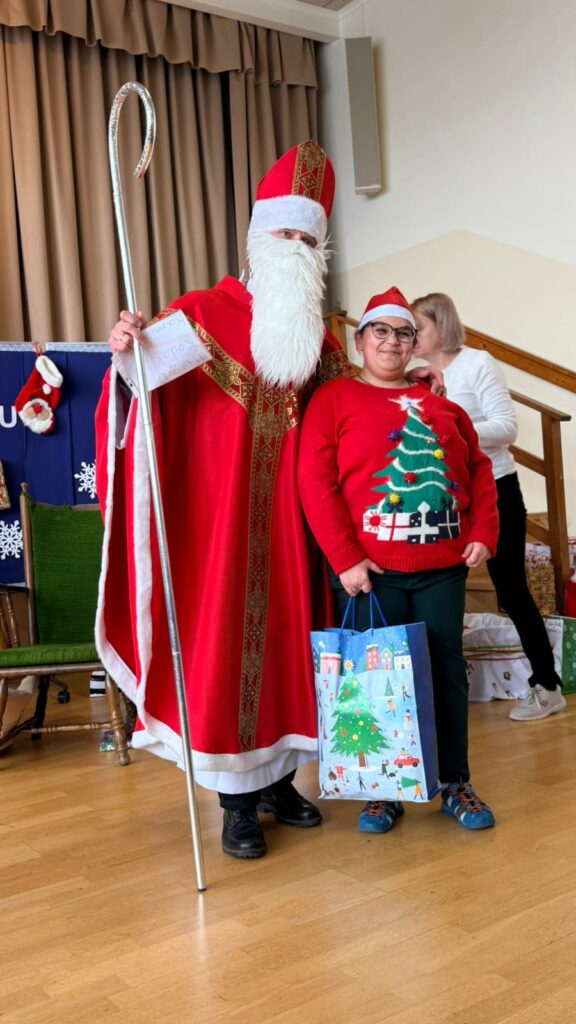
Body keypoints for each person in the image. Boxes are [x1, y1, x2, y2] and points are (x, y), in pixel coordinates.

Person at [95, 144, 441, 861]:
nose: (295, 248)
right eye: (284, 235)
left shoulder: (320, 343)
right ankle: (237, 804)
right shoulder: (199, 315)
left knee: (294, 649)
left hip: (298, 531)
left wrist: (411, 399)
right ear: (258, 238)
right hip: (219, 530)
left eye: (308, 239)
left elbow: (356, 426)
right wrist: (127, 357)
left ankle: (284, 784)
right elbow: (139, 402)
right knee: (228, 653)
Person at [298, 287, 500, 833]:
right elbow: (315, 483)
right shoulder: (334, 399)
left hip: (441, 567)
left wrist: (484, 528)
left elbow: (479, 470)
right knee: (374, 681)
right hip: (368, 573)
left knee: (445, 672)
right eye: (380, 332)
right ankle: (383, 789)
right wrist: (345, 557)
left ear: (416, 344)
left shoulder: (443, 405)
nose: (392, 342)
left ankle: (454, 782)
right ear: (360, 340)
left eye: (404, 333)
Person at [411, 292, 565, 722]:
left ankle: (548, 686)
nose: (410, 336)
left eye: (417, 327)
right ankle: (444, 688)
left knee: (511, 589)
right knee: (443, 592)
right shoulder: (412, 377)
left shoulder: (477, 363)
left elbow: (506, 427)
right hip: (440, 496)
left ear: (440, 326)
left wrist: (451, 429)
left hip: (493, 490)